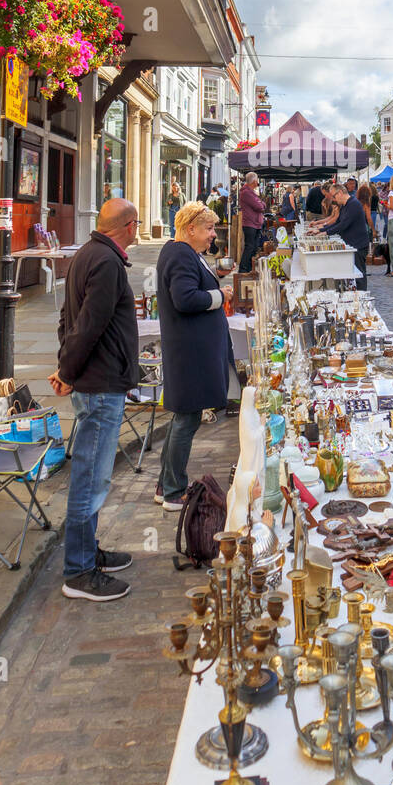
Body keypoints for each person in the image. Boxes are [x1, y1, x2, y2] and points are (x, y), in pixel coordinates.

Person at [51, 198, 140, 602]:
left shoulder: (90, 253)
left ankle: (89, 552)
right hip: (99, 384)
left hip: (97, 379)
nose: (138, 232)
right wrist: (68, 372)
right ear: (127, 226)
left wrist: (65, 367)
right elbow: (87, 324)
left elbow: (68, 319)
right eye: (136, 225)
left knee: (94, 475)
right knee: (91, 478)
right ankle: (79, 571)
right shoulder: (104, 262)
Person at [153, 202, 235, 511]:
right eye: (209, 228)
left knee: (182, 419)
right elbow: (185, 299)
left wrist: (214, 275)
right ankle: (174, 492)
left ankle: (165, 484)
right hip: (190, 350)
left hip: (190, 347)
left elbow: (190, 283)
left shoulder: (184, 253)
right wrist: (220, 295)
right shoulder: (179, 254)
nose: (213, 235)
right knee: (186, 419)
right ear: (191, 229)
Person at [321, 182, 371, 289]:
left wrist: (325, 232)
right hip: (352, 244)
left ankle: (362, 297)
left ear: (339, 193)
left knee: (359, 274)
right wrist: (321, 230)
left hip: (358, 244)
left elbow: (343, 225)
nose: (334, 199)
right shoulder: (345, 205)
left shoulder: (353, 204)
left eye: (334, 196)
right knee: (354, 274)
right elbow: (337, 222)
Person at [239, 171, 265, 273]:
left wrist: (261, 203)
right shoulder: (246, 192)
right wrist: (261, 203)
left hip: (254, 223)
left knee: (253, 247)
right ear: (254, 181)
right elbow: (259, 206)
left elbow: (261, 204)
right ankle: (243, 269)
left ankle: (249, 268)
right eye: (257, 180)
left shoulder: (251, 192)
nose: (257, 183)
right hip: (250, 224)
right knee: (250, 247)